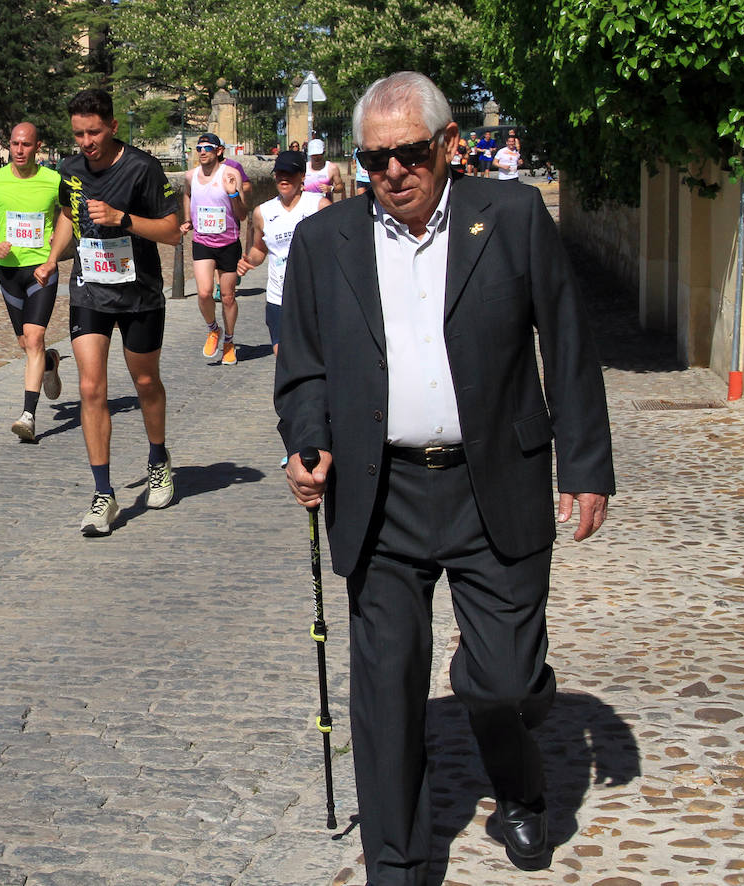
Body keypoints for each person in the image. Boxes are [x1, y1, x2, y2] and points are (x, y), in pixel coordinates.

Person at [274, 71, 615, 882]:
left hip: (494, 480)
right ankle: (397, 864)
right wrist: (307, 439)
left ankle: (520, 787)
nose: (393, 172)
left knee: (499, 683)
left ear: (449, 146)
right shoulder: (328, 243)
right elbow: (304, 369)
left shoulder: (513, 217)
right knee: (387, 696)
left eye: (410, 153)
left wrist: (588, 464)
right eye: (374, 158)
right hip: (380, 493)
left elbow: (565, 340)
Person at [58, 88, 182, 536]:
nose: (86, 142)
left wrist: (122, 219)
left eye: (93, 132)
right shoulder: (69, 169)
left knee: (145, 381)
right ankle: (103, 494)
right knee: (91, 387)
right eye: (78, 134)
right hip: (89, 290)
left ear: (112, 126)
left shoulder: (143, 169)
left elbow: (171, 232)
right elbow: (67, 216)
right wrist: (55, 257)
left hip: (139, 295)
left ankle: (157, 457)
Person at [0, 122, 72, 443]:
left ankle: (28, 416)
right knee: (27, 345)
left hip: (42, 270)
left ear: (37, 147)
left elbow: (68, 216)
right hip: (10, 273)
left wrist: (53, 257)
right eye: (14, 144)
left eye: (26, 145)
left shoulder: (53, 180)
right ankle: (51, 362)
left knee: (34, 337)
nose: (19, 150)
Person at [236, 150, 328, 356]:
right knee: (282, 354)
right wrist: (249, 260)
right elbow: (260, 249)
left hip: (312, 296)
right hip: (279, 297)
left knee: (314, 355)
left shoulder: (319, 206)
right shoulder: (263, 212)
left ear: (302, 176)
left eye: (290, 173)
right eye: (279, 173)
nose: (283, 178)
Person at [182, 132, 247, 365]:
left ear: (219, 151)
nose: (202, 152)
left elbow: (242, 214)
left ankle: (229, 342)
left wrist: (233, 194)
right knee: (204, 292)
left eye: (207, 148)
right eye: (198, 148)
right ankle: (213, 329)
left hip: (228, 242)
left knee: (228, 297)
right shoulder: (191, 176)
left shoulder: (231, 174)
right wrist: (188, 219)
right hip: (202, 242)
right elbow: (188, 195)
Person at [302, 138, 345, 202]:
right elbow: (296, 184)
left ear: (324, 152)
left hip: (325, 207)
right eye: (313, 155)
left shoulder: (332, 168)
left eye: (319, 155)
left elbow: (341, 187)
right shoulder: (304, 167)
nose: (316, 158)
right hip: (307, 206)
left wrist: (331, 188)